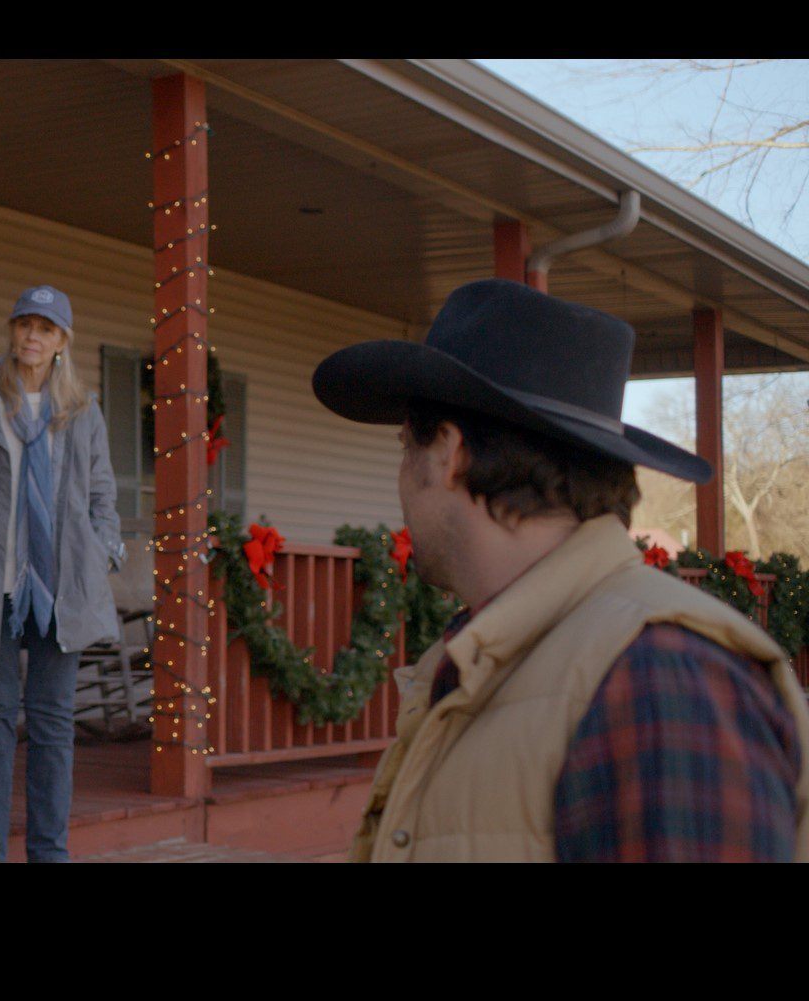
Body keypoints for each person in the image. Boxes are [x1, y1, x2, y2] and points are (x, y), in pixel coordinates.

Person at [314, 278, 809, 861]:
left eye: (405, 447)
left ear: (451, 453)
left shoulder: (657, 675)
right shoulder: (499, 656)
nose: (399, 481)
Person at [0, 284, 124, 862]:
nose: (32, 336)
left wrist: (102, 551)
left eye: (45, 327)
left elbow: (102, 493)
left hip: (62, 591)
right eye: (24, 325)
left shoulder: (81, 413)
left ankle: (49, 853)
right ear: (12, 331)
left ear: (62, 340)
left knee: (52, 727)